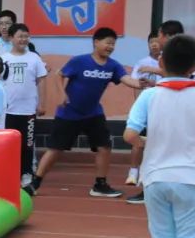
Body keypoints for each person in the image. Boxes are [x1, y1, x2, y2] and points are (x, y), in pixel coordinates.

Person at [124, 34, 195, 238]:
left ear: (160, 61)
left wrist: (150, 141)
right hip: (194, 178)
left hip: (155, 177)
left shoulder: (149, 95)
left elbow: (129, 136)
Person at [28, 28, 144, 198]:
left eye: (113, 44)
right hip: (69, 113)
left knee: (104, 146)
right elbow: (59, 75)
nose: (110, 46)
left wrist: (141, 84)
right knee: (55, 149)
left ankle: (100, 184)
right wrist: (62, 94)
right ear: (96, 42)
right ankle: (35, 183)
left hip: (93, 113)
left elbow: (127, 80)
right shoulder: (79, 61)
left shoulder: (113, 65)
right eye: (107, 42)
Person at [126, 20, 185, 206]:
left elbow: (180, 75)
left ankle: (153, 189)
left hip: (175, 103)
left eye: (158, 35)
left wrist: (154, 71)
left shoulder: (178, 53)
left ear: (167, 36)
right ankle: (148, 187)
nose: (156, 40)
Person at [1, 23, 47, 185]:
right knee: (8, 144)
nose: (23, 39)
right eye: (20, 36)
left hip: (28, 111)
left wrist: (41, 103)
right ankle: (9, 174)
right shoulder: (4, 59)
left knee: (27, 144)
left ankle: (26, 173)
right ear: (12, 38)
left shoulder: (34, 58)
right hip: (7, 110)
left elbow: (41, 81)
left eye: (26, 36)